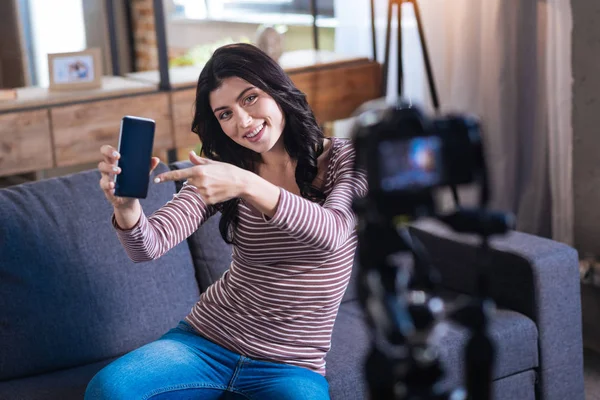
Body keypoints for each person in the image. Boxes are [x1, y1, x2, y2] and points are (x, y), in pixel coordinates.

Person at [87, 43, 367, 400]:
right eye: (225, 114)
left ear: (277, 89)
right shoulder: (224, 168)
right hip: (206, 342)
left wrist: (245, 183)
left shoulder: (346, 158)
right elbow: (148, 246)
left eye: (250, 98)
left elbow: (333, 232)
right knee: (110, 389)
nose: (243, 121)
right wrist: (126, 207)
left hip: (291, 364)